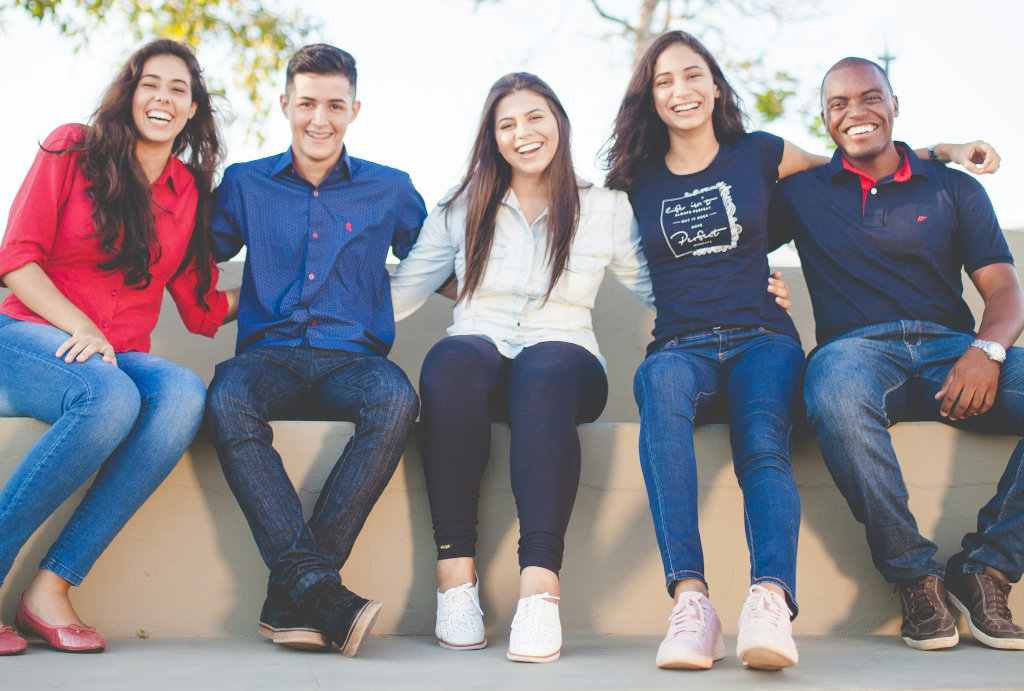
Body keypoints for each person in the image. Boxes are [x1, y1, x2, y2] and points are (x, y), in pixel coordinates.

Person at [603, 31, 997, 671]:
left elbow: (856, 162)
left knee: (762, 438)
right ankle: (692, 603)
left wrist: (943, 151)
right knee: (660, 394)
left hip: (763, 337)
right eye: (665, 81)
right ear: (649, 97)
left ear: (716, 85)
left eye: (694, 75)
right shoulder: (632, 181)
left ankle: (769, 601)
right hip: (680, 344)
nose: (682, 90)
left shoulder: (760, 154)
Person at [388, 72, 656, 663]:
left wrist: (744, 294)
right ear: (493, 138)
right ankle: (456, 583)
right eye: (506, 124)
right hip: (479, 353)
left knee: (544, 370)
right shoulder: (461, 209)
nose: (523, 133)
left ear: (558, 120)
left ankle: (540, 591)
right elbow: (400, 294)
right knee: (451, 359)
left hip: (565, 359)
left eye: (534, 117)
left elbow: (659, 288)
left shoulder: (605, 209)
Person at [769, 57, 1024, 652]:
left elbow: (1004, 290)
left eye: (869, 98)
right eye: (838, 104)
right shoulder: (801, 193)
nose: (855, 112)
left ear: (894, 105)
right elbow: (729, 221)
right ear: (825, 120)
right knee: (831, 393)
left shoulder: (954, 186)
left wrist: (987, 350)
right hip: (854, 354)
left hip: (954, 354)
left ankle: (986, 567)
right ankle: (915, 578)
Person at [0, 39, 236, 655]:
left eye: (178, 89)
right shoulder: (71, 147)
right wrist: (79, 325)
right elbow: (16, 261)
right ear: (130, 93)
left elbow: (201, 306)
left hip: (116, 353)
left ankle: (49, 589)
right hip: (28, 332)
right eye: (150, 83)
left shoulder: (188, 192)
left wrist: (298, 290)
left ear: (192, 110)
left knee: (183, 394)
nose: (162, 97)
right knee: (108, 398)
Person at [204, 44, 426, 658]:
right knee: (226, 397)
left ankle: (296, 593)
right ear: (285, 105)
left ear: (355, 108)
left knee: (396, 399)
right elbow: (192, 252)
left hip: (354, 360)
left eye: (334, 105)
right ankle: (321, 592)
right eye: (306, 104)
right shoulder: (246, 183)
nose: (319, 120)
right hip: (267, 356)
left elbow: (446, 258)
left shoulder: (391, 188)